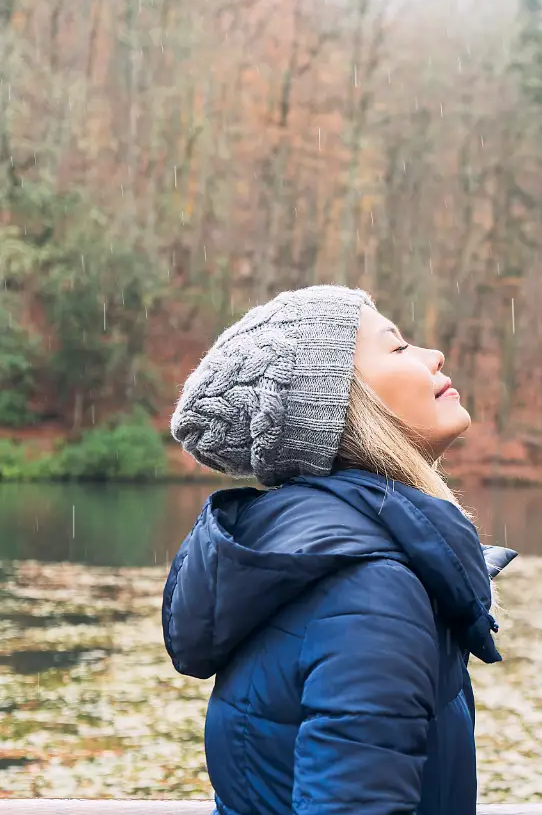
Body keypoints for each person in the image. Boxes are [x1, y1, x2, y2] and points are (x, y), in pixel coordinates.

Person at [161, 284, 516, 815]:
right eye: (397, 348)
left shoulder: (306, 558)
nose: (432, 355)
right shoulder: (373, 594)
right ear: (345, 409)